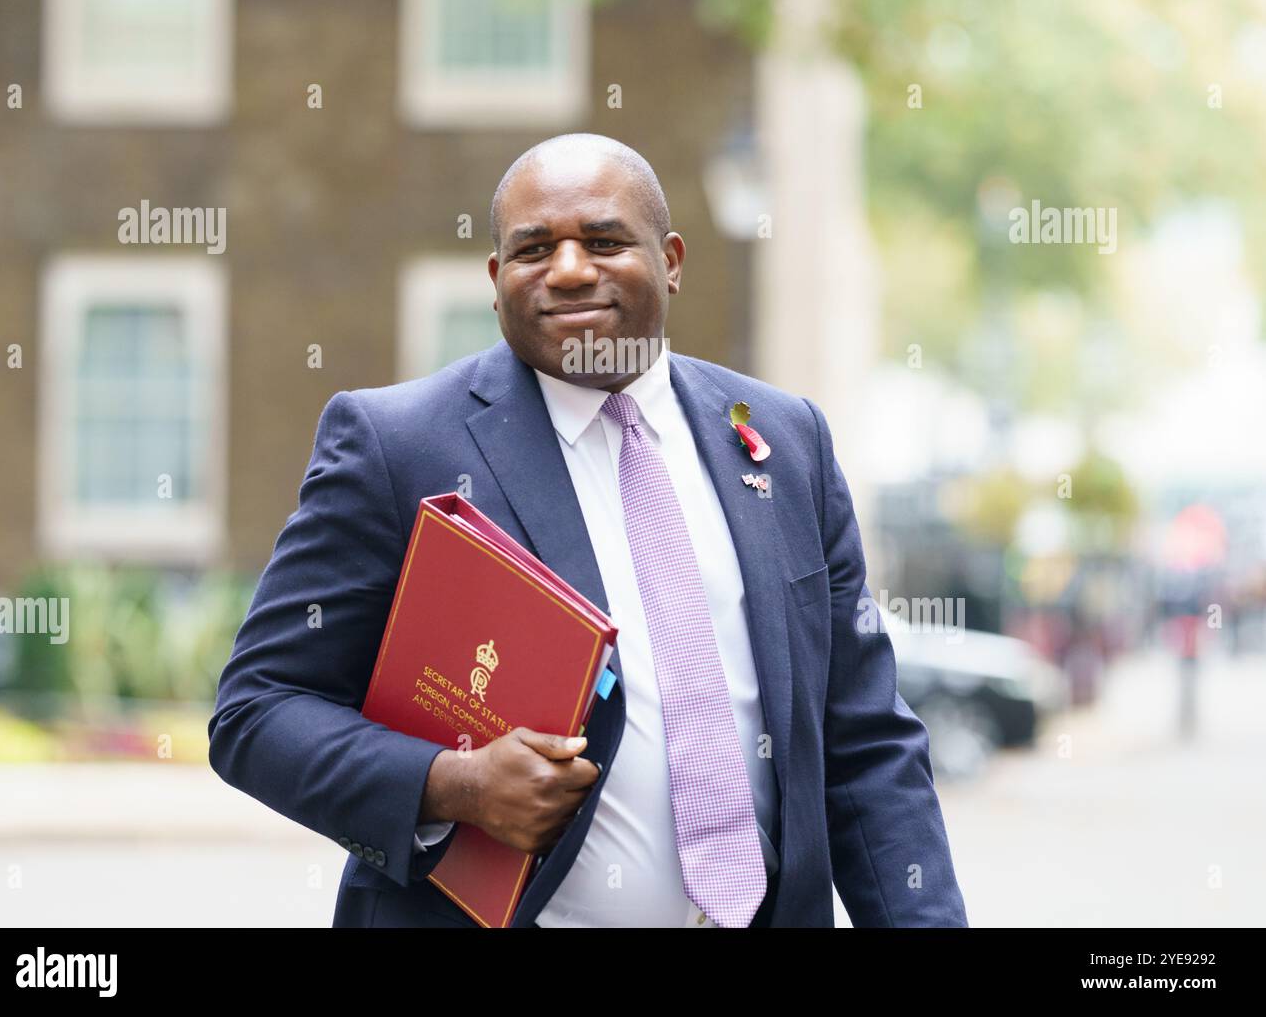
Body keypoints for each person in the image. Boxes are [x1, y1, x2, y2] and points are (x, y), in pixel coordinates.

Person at [208, 133, 968, 928]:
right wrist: (453, 784)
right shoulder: (396, 446)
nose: (570, 269)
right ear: (498, 280)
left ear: (671, 260)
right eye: (535, 249)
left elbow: (866, 743)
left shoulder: (785, 440)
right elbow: (257, 711)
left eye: (603, 241)